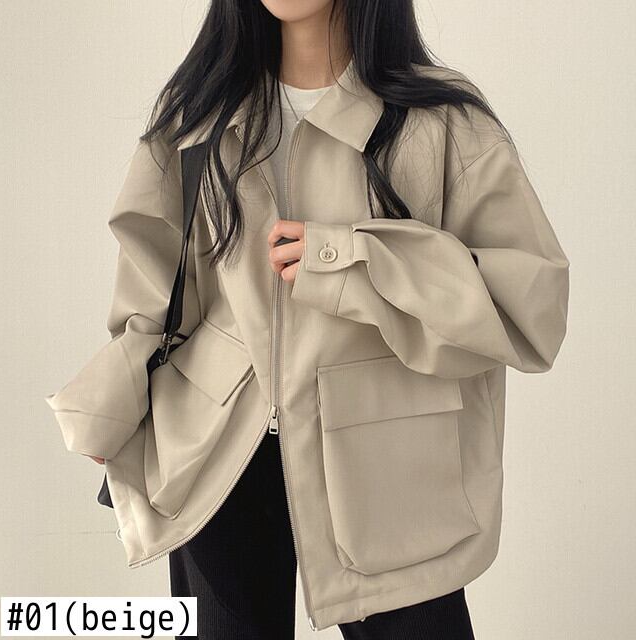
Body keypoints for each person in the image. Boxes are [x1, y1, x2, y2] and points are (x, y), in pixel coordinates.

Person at [44, 0, 570, 638]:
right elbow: (158, 288)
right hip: (216, 454)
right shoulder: (199, 114)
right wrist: (115, 397)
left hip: (388, 464)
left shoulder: (443, 123)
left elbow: (528, 309)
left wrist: (355, 262)